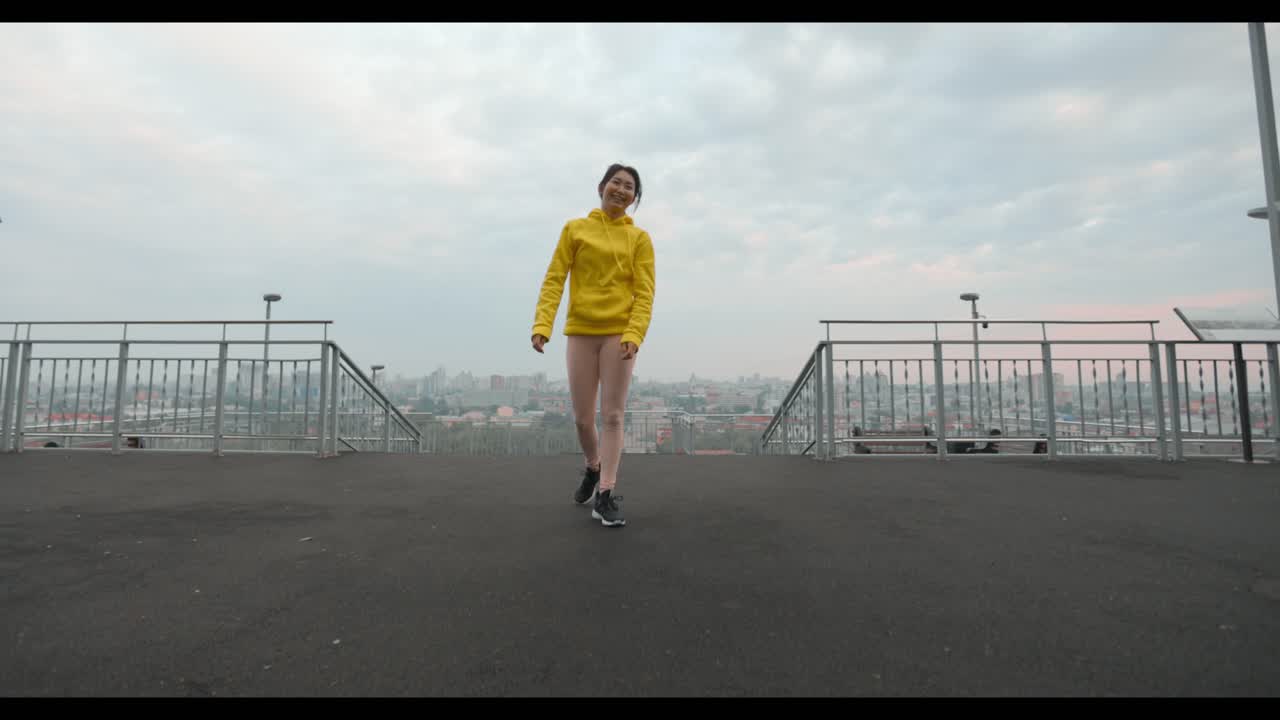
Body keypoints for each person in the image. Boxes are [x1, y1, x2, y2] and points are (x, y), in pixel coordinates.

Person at [531, 163, 656, 528]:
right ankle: (593, 465)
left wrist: (635, 334)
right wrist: (543, 323)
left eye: (629, 187)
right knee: (584, 419)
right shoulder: (575, 229)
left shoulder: (640, 239)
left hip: (618, 334)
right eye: (615, 182)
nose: (620, 189)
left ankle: (606, 493)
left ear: (634, 199)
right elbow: (554, 278)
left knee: (613, 415)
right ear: (601, 187)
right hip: (581, 332)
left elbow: (644, 293)